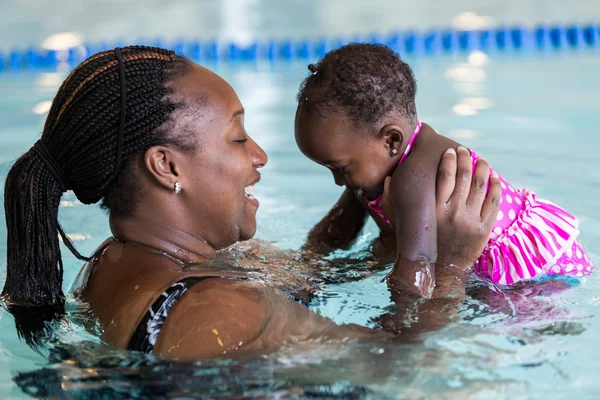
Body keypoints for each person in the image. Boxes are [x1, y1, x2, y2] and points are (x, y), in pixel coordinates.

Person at [2, 46, 500, 360]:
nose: (259, 156)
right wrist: (453, 266)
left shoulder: (111, 261)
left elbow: (307, 275)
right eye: (238, 139)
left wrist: (388, 240)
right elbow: (405, 371)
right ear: (166, 166)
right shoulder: (224, 310)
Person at [294, 43, 593, 299]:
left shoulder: (412, 178)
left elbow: (417, 271)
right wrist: (302, 269)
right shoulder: (373, 166)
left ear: (391, 141)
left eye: (340, 168)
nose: (337, 181)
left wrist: (391, 332)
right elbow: (337, 228)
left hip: (533, 275)